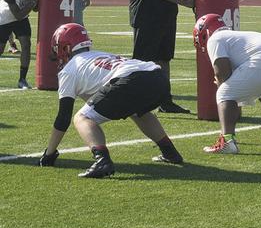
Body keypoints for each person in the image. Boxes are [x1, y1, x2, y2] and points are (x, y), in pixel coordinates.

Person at [37, 23, 184, 179]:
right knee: (138, 112)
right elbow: (100, 97)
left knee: (82, 118)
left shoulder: (69, 69)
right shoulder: (98, 55)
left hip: (130, 79)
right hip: (158, 77)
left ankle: (102, 160)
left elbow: (63, 117)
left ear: (65, 48)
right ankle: (170, 152)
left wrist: (49, 153)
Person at [193, 13, 261, 154]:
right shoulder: (234, 36)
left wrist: (222, 86)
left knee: (225, 93)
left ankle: (227, 141)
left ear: (205, 32)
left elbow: (222, 74)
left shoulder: (216, 39)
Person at [0, 0, 40, 88]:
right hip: (4, 19)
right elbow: (18, 15)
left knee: (26, 44)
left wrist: (36, 0)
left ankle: (22, 79)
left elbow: (35, 9)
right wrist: (33, 2)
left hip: (21, 19)